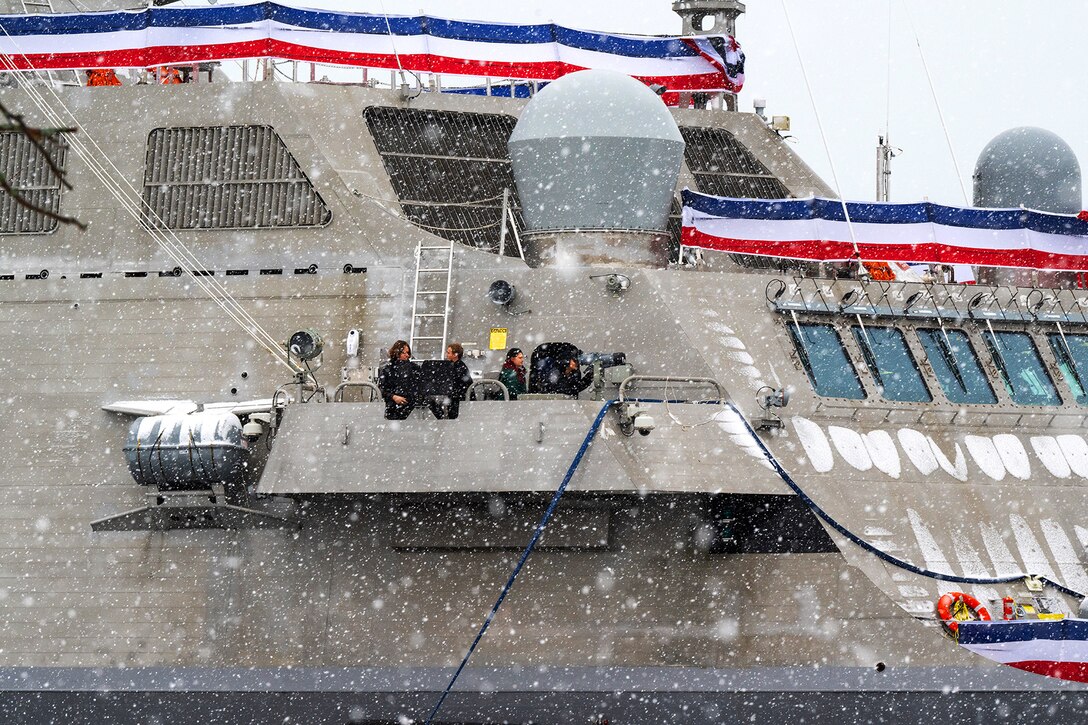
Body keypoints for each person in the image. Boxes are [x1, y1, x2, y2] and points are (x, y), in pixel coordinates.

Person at [378, 340, 420, 420]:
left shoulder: (414, 368)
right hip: (393, 407)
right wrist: (394, 397)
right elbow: (382, 389)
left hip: (410, 406)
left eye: (408, 353)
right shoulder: (388, 369)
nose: (407, 355)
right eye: (405, 353)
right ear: (397, 353)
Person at [430, 343, 472, 419]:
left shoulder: (459, 368)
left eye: (448, 353)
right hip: (457, 399)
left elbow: (458, 385)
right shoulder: (457, 366)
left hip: (458, 400)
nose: (446, 355)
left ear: (455, 355)